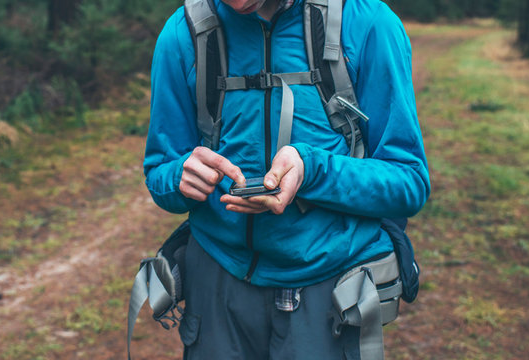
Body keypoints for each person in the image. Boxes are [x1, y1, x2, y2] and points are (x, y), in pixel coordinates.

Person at [143, 0, 430, 358]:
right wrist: (180, 177)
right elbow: (160, 171)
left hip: (328, 288)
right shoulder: (185, 32)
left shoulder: (367, 24)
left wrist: (311, 171)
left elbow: (409, 180)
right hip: (217, 287)